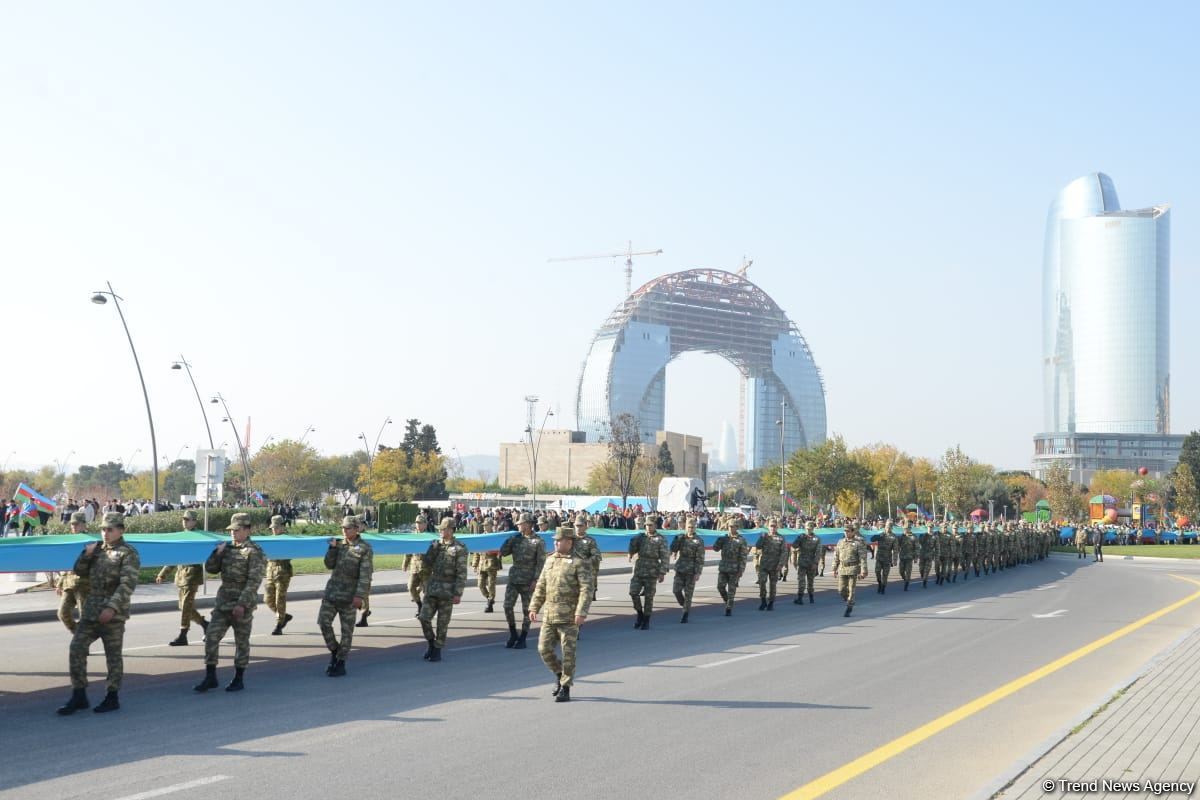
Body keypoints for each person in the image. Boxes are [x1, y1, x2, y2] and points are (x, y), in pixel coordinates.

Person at [57, 512, 140, 715]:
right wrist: (86, 555)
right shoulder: (96, 549)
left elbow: (127, 584)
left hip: (113, 615)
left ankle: (112, 696)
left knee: (113, 657)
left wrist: (111, 608)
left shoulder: (128, 553)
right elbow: (78, 571)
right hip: (91, 611)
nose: (105, 533)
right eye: (103, 529)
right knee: (76, 648)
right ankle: (79, 694)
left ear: (121, 530)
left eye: (110, 529)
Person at [194, 512, 266, 693]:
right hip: (223, 603)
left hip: (242, 605)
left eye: (237, 529)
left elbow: (254, 581)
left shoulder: (254, 551)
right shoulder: (226, 548)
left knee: (241, 642)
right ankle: (211, 676)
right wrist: (216, 554)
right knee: (211, 637)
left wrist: (242, 604)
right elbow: (210, 569)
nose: (233, 533)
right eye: (231, 530)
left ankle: (239, 678)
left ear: (247, 530)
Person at [529, 526, 592, 703]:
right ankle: (559, 674)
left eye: (559, 540)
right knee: (544, 649)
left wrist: (581, 612)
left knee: (568, 653)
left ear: (569, 542)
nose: (555, 542)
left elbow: (586, 590)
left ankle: (565, 687)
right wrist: (534, 607)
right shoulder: (550, 560)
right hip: (550, 615)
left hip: (569, 617)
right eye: (555, 540)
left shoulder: (580, 562)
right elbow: (541, 585)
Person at [318, 515, 373, 676]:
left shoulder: (364, 548)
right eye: (343, 528)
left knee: (346, 631)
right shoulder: (339, 545)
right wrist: (332, 549)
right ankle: (335, 651)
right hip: (332, 592)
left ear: (357, 529)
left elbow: (365, 575)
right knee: (323, 622)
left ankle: (341, 662)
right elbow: (329, 564)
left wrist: (360, 596)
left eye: (348, 528)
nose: (344, 530)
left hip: (349, 596)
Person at [417, 518, 468, 662]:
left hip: (448, 590)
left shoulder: (460, 548)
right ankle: (431, 643)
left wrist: (458, 593)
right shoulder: (436, 545)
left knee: (442, 623)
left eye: (443, 529)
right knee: (423, 617)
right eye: (440, 529)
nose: (440, 531)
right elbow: (426, 563)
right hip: (433, 588)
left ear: (451, 530)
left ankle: (437, 649)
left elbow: (461, 573)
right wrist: (431, 550)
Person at [155, 510, 209, 646]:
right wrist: (163, 573)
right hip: (181, 577)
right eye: (183, 519)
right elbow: (174, 556)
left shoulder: (199, 537)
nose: (184, 521)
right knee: (184, 607)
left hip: (192, 576)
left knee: (186, 606)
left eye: (187, 519)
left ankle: (183, 635)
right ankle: (205, 624)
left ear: (194, 521)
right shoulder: (181, 536)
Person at [499, 512, 545, 648]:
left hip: (528, 580)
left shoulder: (538, 542)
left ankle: (523, 637)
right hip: (514, 578)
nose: (518, 525)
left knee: (527, 610)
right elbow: (503, 552)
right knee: (507, 606)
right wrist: (509, 539)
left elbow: (540, 563)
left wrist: (536, 580)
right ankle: (513, 633)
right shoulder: (516, 539)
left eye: (521, 524)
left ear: (529, 525)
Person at [627, 515, 669, 629]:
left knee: (649, 597)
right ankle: (640, 614)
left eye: (650, 525)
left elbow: (665, 557)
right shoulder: (641, 537)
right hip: (639, 569)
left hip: (652, 571)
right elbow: (632, 549)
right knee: (633, 592)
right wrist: (632, 545)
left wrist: (662, 572)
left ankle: (646, 620)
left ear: (655, 525)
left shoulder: (660, 539)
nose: (648, 527)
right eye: (646, 525)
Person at [56, 511, 92, 633]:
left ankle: (82, 642)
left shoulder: (91, 541)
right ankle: (79, 635)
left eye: (76, 524)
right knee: (62, 613)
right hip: (69, 585)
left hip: (84, 585)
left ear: (84, 525)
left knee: (85, 617)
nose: (74, 527)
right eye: (72, 524)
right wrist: (60, 583)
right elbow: (66, 564)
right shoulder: (70, 541)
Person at [262, 514, 295, 635]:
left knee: (279, 600)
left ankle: (279, 625)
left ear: (282, 527)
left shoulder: (287, 539)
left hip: (283, 573)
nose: (274, 530)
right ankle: (283, 616)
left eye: (276, 527)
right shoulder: (269, 540)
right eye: (272, 528)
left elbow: (292, 553)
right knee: (267, 599)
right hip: (270, 572)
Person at [670, 517, 705, 623]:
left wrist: (698, 572)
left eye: (692, 527)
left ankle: (685, 614)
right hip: (680, 568)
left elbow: (700, 558)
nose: (690, 529)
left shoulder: (698, 541)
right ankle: (684, 604)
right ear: (685, 527)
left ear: (695, 528)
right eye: (689, 527)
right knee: (676, 590)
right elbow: (673, 549)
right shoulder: (682, 538)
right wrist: (676, 540)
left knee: (688, 594)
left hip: (691, 570)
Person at [712, 519, 749, 616]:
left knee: (731, 589)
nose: (731, 528)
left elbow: (743, 556)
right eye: (729, 526)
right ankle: (727, 601)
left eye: (733, 526)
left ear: (737, 527)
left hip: (734, 568)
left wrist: (741, 570)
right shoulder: (724, 538)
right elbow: (715, 549)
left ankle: (729, 608)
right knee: (720, 587)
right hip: (724, 567)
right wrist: (719, 540)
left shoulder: (741, 540)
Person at [832, 522, 869, 617]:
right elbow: (836, 556)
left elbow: (862, 557)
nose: (846, 533)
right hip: (842, 568)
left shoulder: (857, 543)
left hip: (853, 568)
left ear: (853, 532)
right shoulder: (840, 542)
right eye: (845, 531)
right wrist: (834, 568)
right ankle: (849, 599)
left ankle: (849, 606)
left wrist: (863, 570)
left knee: (851, 589)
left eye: (848, 531)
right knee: (841, 590)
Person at [754, 518, 786, 610]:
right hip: (764, 564)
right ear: (768, 527)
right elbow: (758, 546)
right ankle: (763, 601)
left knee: (773, 585)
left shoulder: (780, 538)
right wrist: (762, 538)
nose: (773, 528)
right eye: (771, 526)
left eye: (774, 526)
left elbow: (784, 552)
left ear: (777, 527)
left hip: (774, 566)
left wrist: (780, 565)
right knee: (762, 583)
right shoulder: (765, 536)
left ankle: (771, 602)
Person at [470, 520, 501, 612]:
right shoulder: (482, 536)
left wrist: (494, 551)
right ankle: (489, 598)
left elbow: (500, 550)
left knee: (491, 585)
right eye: (483, 525)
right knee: (480, 585)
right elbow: (477, 552)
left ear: (491, 526)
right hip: (481, 564)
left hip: (492, 564)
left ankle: (490, 603)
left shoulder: (495, 537)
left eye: (486, 525)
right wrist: (475, 565)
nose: (484, 526)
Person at [402, 514, 431, 613]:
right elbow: (408, 551)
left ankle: (426, 610)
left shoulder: (430, 537)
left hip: (426, 568)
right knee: (410, 587)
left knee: (427, 592)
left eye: (420, 523)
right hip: (415, 567)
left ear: (425, 525)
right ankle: (419, 605)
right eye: (417, 523)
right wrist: (405, 564)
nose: (418, 525)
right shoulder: (413, 536)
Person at [572, 515, 602, 602]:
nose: (578, 528)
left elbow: (596, 556)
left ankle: (592, 590)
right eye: (577, 526)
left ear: (585, 526)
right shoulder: (571, 539)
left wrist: (586, 562)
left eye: (580, 526)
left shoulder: (590, 541)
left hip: (585, 568)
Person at [793, 521, 822, 604]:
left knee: (810, 581)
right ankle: (800, 598)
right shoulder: (802, 536)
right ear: (805, 528)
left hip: (811, 563)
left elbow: (818, 552)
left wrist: (815, 563)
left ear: (813, 529)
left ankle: (811, 597)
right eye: (807, 529)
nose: (808, 530)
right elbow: (794, 546)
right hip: (802, 562)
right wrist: (798, 539)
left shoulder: (817, 538)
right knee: (801, 581)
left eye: (810, 529)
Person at [874, 521, 897, 594]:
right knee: (877, 571)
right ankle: (879, 583)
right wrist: (877, 536)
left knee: (885, 574)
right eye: (887, 527)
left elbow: (895, 549)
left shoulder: (894, 537)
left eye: (889, 527)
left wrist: (894, 560)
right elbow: (872, 539)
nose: (888, 528)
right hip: (879, 557)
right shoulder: (881, 534)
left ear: (892, 528)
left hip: (887, 558)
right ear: (885, 527)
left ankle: (883, 587)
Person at [897, 520, 918, 591]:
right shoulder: (901, 537)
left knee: (908, 572)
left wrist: (916, 558)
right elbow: (897, 545)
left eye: (908, 528)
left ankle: (906, 584)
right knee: (901, 571)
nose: (906, 530)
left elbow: (917, 548)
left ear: (910, 529)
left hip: (909, 557)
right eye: (905, 528)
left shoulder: (914, 537)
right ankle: (905, 578)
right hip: (902, 557)